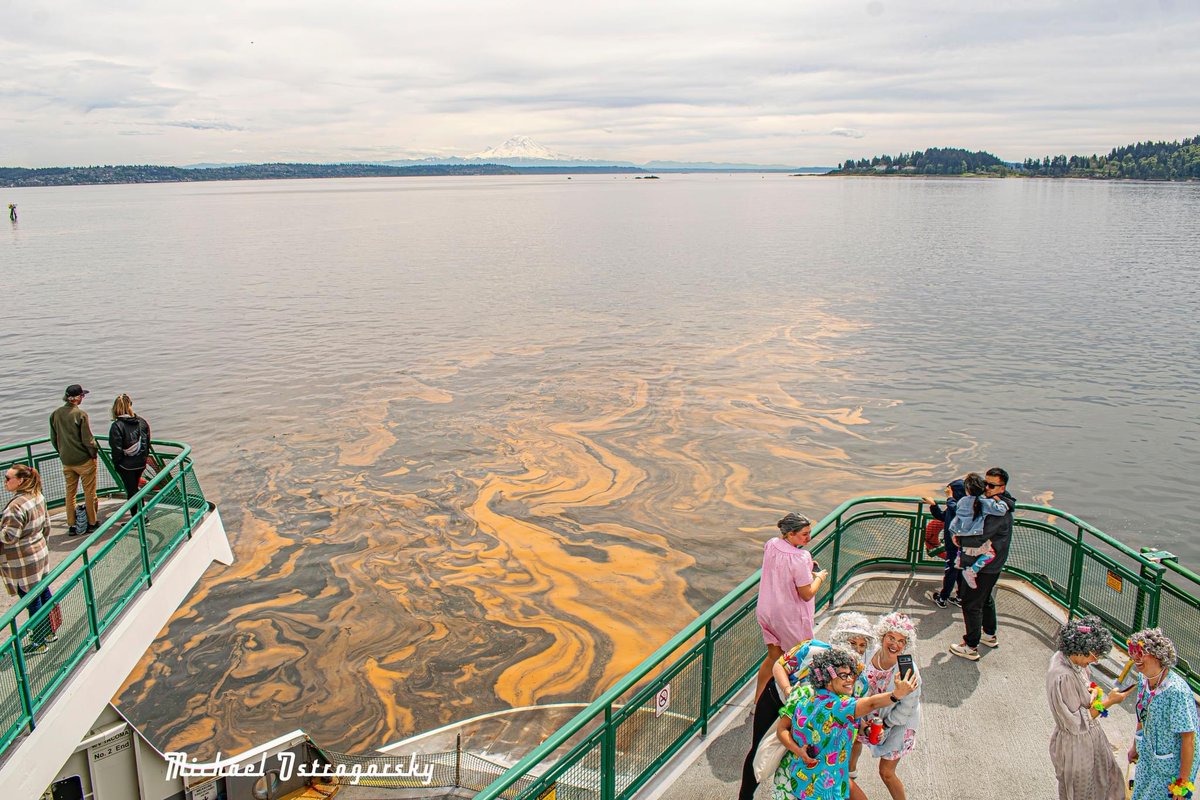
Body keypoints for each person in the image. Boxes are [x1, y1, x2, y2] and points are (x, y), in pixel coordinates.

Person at [738, 613, 874, 800]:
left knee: (802, 757)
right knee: (760, 750)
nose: (857, 650)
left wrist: (865, 729)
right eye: (853, 643)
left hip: (814, 718)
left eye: (862, 645)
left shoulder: (860, 680)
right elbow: (779, 665)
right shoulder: (811, 648)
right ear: (840, 640)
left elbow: (852, 712)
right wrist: (788, 691)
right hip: (778, 700)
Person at [771, 646, 917, 800]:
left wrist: (798, 751)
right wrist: (896, 695)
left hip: (799, 776)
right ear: (827, 678)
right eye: (843, 675)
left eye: (850, 675)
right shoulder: (839, 705)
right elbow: (871, 704)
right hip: (823, 786)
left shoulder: (802, 693)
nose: (850, 680)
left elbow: (782, 729)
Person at [1045, 616, 1131, 800]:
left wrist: (1093, 692)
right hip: (1077, 745)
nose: (1094, 661)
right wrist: (1109, 701)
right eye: (1093, 657)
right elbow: (1076, 723)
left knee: (1106, 781)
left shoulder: (1065, 658)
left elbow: (1084, 687)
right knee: (1083, 792)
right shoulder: (1064, 676)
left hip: (1088, 739)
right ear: (1081, 649)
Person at [755, 512, 829, 699]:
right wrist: (819, 577)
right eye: (804, 534)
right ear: (790, 534)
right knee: (800, 660)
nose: (809, 538)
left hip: (767, 611)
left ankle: (758, 702)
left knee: (773, 657)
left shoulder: (771, 544)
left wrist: (806, 567)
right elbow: (806, 594)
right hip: (789, 618)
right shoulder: (801, 557)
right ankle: (795, 703)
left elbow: (781, 567)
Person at [950, 467, 1015, 662]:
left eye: (991, 485)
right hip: (994, 563)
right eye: (985, 483)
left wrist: (958, 540)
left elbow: (979, 538)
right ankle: (989, 634)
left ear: (1002, 487)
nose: (986, 487)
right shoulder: (999, 502)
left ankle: (970, 646)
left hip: (984, 566)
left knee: (971, 604)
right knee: (985, 598)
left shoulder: (996, 513)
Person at [1126, 628, 1198, 800]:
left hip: (1170, 770)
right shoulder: (1144, 680)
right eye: (1133, 651)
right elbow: (1142, 716)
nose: (1136, 657)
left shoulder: (1176, 692)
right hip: (1148, 759)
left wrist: (1182, 783)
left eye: (1141, 652)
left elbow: (1189, 738)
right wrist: (1135, 747)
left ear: (1157, 655)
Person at [860, 612, 922, 800]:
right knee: (854, 740)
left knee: (886, 773)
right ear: (883, 636)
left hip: (897, 723)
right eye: (891, 638)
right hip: (868, 715)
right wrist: (862, 722)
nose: (895, 644)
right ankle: (850, 775)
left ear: (906, 644)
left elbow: (907, 707)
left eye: (901, 641)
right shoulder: (867, 655)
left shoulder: (908, 671)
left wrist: (885, 726)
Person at [1, 464, 54, 655]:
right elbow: (47, 525)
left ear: (21, 481)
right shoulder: (37, 496)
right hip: (39, 553)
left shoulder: (15, 506)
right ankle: (50, 632)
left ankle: (38, 641)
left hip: (23, 562)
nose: (5, 482)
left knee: (31, 600)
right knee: (43, 591)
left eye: (8, 478)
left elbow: (9, 537)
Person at [49, 384, 99, 535]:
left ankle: (72, 525)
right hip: (84, 460)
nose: (83, 398)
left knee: (70, 493)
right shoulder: (81, 415)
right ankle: (92, 522)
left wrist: (62, 452)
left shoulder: (55, 414)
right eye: (82, 396)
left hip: (66, 460)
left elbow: (53, 438)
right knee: (89, 492)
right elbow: (88, 440)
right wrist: (93, 453)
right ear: (77, 398)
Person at [947, 472, 1009, 589]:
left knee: (963, 548)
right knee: (990, 554)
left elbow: (957, 518)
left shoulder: (962, 501)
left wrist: (953, 533)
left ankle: (959, 559)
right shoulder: (985, 502)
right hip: (975, 536)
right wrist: (999, 501)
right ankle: (972, 570)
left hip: (961, 536)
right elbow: (1001, 510)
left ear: (967, 490)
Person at [923, 478, 966, 608]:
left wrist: (949, 497)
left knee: (951, 572)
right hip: (957, 546)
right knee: (959, 572)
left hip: (955, 546)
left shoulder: (961, 509)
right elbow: (943, 516)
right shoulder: (956, 507)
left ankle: (942, 598)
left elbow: (953, 510)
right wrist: (933, 505)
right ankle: (960, 597)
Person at [109, 393, 151, 511]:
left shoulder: (117, 426)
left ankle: (138, 519)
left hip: (126, 465)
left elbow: (116, 448)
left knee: (131, 491)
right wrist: (143, 458)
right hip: (140, 462)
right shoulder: (141, 422)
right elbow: (147, 442)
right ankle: (141, 516)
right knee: (135, 489)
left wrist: (117, 464)